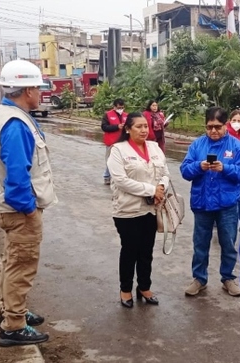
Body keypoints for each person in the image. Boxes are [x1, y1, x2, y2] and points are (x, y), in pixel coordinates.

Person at [0, 59, 57, 347]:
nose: (40, 93)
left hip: (8, 207)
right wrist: (28, 210)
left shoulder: (4, 114)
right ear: (27, 90)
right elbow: (17, 177)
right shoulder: (15, 124)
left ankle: (14, 311)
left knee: (12, 262)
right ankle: (13, 325)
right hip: (18, 209)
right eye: (37, 87)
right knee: (21, 266)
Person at [180, 107, 240, 297]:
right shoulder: (196, 146)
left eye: (218, 127)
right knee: (200, 244)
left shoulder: (236, 146)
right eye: (209, 127)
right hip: (202, 204)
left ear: (225, 125)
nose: (213, 131)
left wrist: (225, 168)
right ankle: (199, 279)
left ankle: (228, 278)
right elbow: (185, 171)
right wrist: (198, 166)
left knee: (228, 243)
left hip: (227, 205)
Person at [107, 111, 170, 308]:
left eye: (146, 126)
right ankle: (125, 289)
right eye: (138, 127)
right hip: (128, 210)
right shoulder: (118, 150)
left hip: (151, 209)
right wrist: (151, 189)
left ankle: (144, 286)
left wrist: (161, 188)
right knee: (130, 250)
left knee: (146, 251)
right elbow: (121, 181)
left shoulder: (154, 147)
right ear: (127, 129)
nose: (144, 130)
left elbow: (165, 172)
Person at [101, 99, 127, 185]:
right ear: (114, 107)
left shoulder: (126, 115)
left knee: (122, 161)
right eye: (119, 107)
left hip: (123, 142)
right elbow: (104, 127)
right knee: (110, 160)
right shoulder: (108, 115)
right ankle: (107, 176)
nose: (121, 109)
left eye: (122, 107)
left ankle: (119, 177)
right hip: (111, 141)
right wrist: (117, 127)